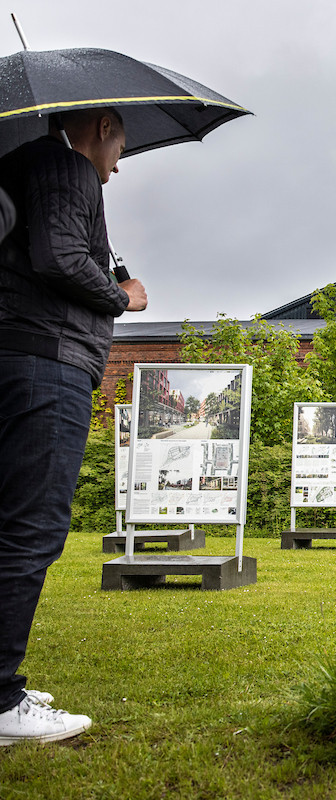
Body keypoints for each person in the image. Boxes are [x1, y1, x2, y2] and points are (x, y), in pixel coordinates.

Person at [0, 108, 148, 746]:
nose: (114, 172)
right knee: (30, 529)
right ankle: (2, 700)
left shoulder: (26, 166)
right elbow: (60, 256)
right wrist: (124, 296)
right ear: (101, 128)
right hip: (47, 363)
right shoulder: (65, 166)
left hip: (21, 354)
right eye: (120, 151)